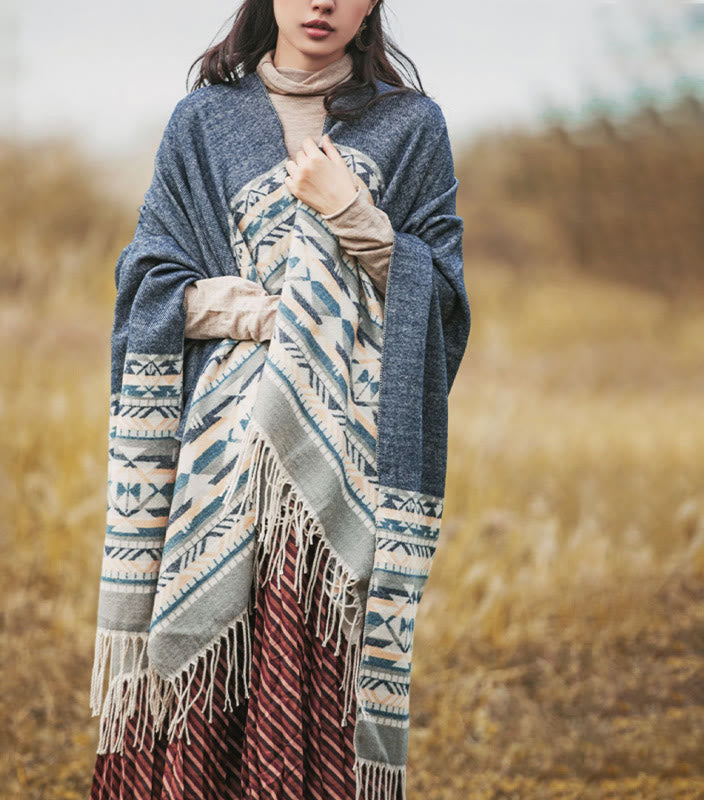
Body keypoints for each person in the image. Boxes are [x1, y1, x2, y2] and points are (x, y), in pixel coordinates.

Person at [88, 2, 469, 799]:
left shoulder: (411, 127)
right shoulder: (204, 122)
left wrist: (349, 208)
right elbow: (149, 292)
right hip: (213, 470)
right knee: (203, 692)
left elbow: (436, 309)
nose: (323, 3)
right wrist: (271, 316)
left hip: (337, 477)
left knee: (312, 680)